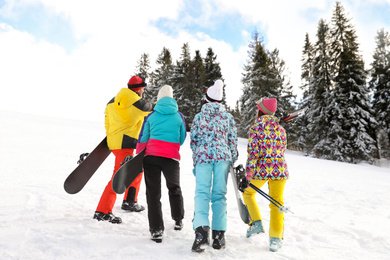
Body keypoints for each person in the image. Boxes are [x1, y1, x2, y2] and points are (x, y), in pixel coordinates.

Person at [93, 75, 154, 224]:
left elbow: (107, 122)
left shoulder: (112, 102)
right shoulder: (137, 103)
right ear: (140, 89)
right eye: (143, 89)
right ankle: (102, 211)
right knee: (118, 177)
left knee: (137, 169)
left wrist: (111, 137)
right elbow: (152, 109)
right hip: (125, 143)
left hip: (113, 141)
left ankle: (130, 200)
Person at [190, 79, 238, 252]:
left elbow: (193, 140)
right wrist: (233, 158)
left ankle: (202, 234)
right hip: (223, 158)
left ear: (207, 99)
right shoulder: (228, 117)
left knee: (202, 193)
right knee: (219, 195)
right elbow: (232, 141)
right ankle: (218, 236)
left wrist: (196, 158)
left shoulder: (199, 117)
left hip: (203, 157)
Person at [136, 85, 186, 243]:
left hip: (151, 157)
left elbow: (143, 137)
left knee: (153, 193)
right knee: (174, 188)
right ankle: (178, 220)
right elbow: (182, 138)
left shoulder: (151, 116)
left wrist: (138, 155)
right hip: (171, 158)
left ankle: (156, 230)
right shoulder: (179, 116)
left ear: (158, 99)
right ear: (172, 98)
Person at [242, 98, 289, 252]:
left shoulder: (255, 128)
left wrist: (249, 172)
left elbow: (253, 153)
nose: (257, 110)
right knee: (277, 204)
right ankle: (275, 239)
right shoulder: (281, 129)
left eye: (258, 108)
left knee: (248, 193)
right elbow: (282, 149)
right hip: (279, 170)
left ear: (262, 110)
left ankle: (256, 222)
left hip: (262, 170)